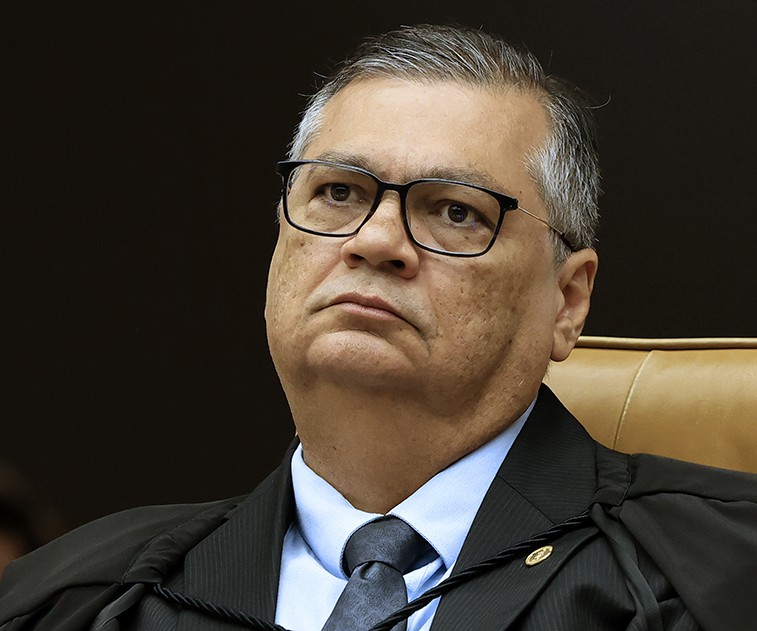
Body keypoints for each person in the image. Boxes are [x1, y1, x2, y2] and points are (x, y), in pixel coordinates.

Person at [1, 22, 756, 631]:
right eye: (338, 192)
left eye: (455, 210)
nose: (376, 240)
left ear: (567, 301)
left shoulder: (721, 576)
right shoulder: (73, 598)